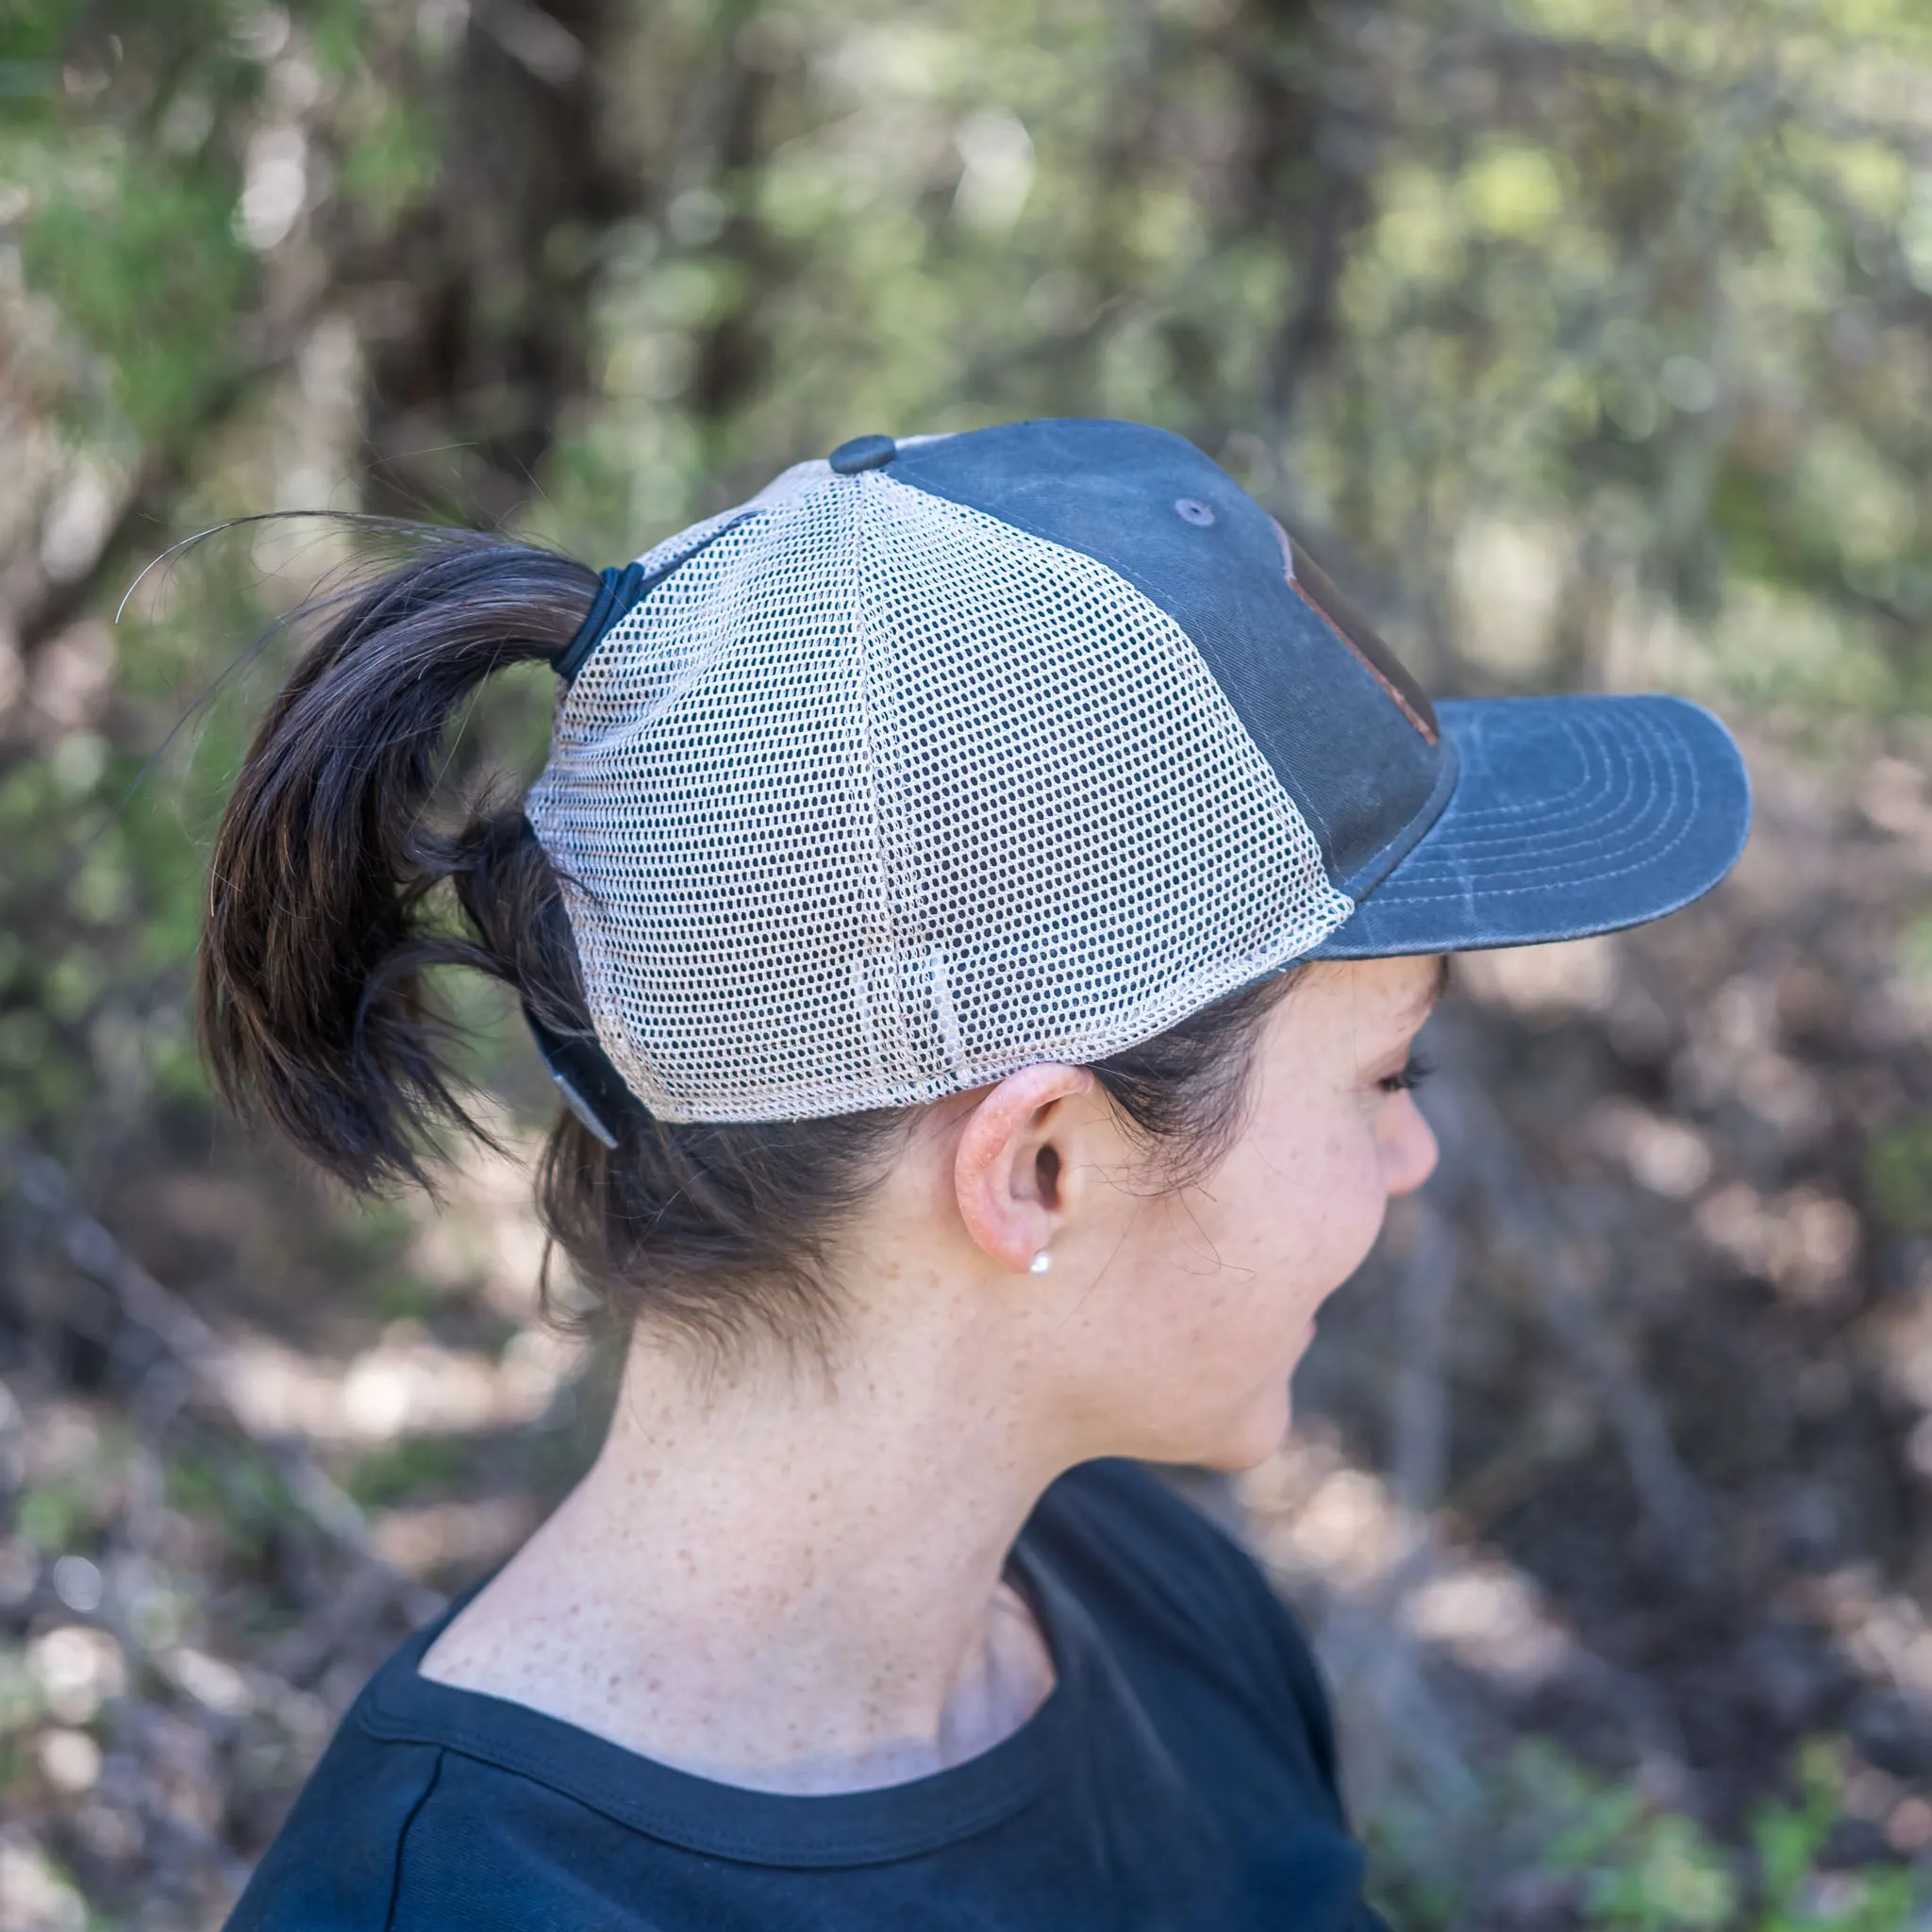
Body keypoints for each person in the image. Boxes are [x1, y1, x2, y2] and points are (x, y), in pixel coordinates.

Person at [202, 419, 1750, 1929]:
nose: (1412, 1153)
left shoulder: (1155, 1603)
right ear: (1042, 1168)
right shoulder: (458, 1902)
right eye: (1384, 1073)